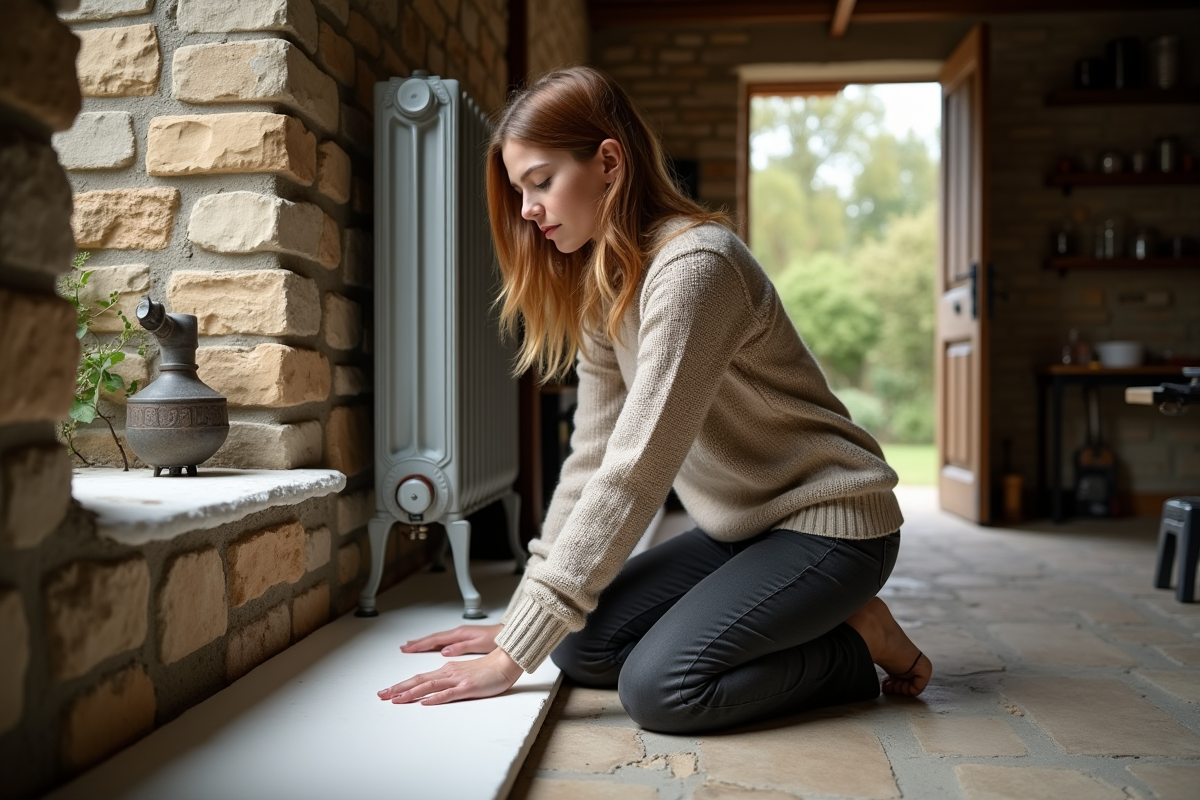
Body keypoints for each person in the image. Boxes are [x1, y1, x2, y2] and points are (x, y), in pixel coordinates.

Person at [377, 66, 932, 734]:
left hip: (831, 526)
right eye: (521, 190)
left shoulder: (696, 267)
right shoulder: (603, 286)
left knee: (662, 690)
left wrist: (508, 662)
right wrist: (525, 622)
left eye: (541, 182)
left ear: (608, 161)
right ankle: (804, 620)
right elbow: (589, 462)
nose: (527, 210)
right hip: (744, 529)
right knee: (578, 643)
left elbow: (635, 470)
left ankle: (857, 642)